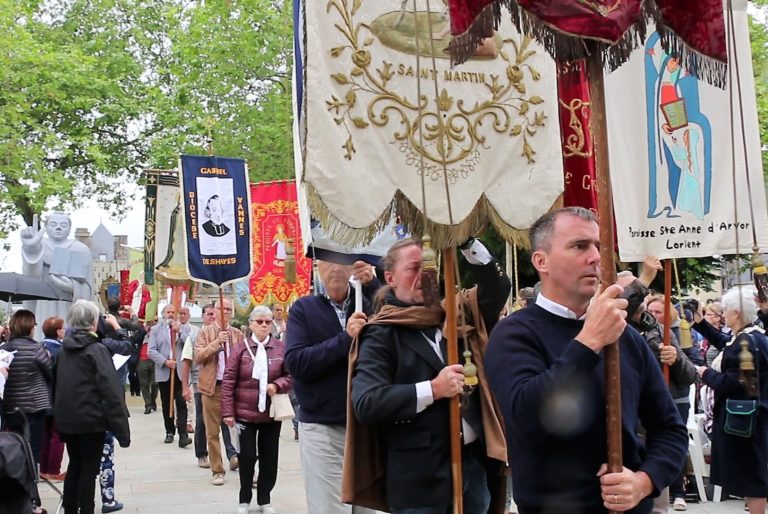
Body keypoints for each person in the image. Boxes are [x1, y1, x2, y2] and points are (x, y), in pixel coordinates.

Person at [484, 207, 688, 514]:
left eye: (598, 247)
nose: (595, 257)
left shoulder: (627, 337)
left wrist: (644, 482)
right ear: (541, 261)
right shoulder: (514, 334)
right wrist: (589, 341)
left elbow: (670, 428)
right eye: (579, 246)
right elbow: (527, 418)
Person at [349, 237, 510, 513]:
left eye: (430, 268)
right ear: (390, 277)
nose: (425, 276)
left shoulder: (455, 315)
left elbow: (498, 288)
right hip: (419, 481)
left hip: (473, 470)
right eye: (414, 268)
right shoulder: (380, 333)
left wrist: (465, 241)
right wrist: (433, 389)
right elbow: (367, 402)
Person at [285, 258, 379, 514]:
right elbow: (296, 363)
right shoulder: (304, 309)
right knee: (331, 508)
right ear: (317, 266)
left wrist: (373, 285)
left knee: (367, 509)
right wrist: (345, 339)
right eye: (328, 261)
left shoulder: (369, 303)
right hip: (324, 427)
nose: (336, 268)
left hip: (367, 427)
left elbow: (401, 316)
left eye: (342, 261)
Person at [617, 271, 696, 512]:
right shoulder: (617, 328)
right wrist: (644, 277)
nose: (640, 294)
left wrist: (676, 360)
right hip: (631, 421)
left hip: (658, 417)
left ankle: (678, 492)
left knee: (657, 500)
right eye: (632, 289)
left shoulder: (661, 331)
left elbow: (690, 375)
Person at [695, 287, 768, 514]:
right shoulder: (751, 336)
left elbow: (735, 382)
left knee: (753, 476)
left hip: (747, 420)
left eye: (726, 310)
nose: (723, 314)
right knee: (752, 474)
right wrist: (699, 323)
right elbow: (725, 341)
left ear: (736, 313)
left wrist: (706, 374)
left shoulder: (746, 342)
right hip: (753, 416)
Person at [55, 300, 130, 514]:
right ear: (94, 322)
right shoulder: (96, 350)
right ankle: (86, 509)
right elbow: (110, 390)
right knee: (89, 468)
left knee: (75, 465)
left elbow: (56, 385)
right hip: (91, 419)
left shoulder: (64, 350)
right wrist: (121, 428)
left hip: (69, 418)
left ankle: (70, 509)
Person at [223, 305, 293, 514]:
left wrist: (277, 385)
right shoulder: (240, 348)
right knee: (246, 457)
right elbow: (228, 380)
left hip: (270, 414)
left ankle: (265, 499)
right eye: (259, 322)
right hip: (244, 413)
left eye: (268, 322)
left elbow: (291, 376)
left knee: (269, 458)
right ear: (251, 324)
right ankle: (244, 499)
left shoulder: (280, 348)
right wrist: (228, 412)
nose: (264, 325)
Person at [195, 298, 245, 486]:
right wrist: (217, 343)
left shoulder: (238, 334)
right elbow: (198, 357)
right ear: (214, 311)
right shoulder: (204, 332)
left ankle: (243, 463)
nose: (225, 312)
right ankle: (217, 470)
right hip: (212, 387)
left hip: (233, 388)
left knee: (240, 430)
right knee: (212, 432)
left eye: (229, 309)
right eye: (222, 309)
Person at [20, 212, 94, 339]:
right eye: (53, 224)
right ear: (46, 227)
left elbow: (88, 284)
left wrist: (73, 286)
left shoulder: (80, 249)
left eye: (63, 225)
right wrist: (31, 250)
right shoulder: (39, 246)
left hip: (69, 302)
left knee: (68, 332)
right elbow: (30, 278)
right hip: (44, 301)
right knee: (43, 333)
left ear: (69, 228)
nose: (58, 228)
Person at [3, 309, 52, 467]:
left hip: (11, 406)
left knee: (15, 445)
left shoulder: (5, 349)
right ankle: (31, 477)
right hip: (34, 405)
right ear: (30, 327)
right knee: (33, 448)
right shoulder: (36, 349)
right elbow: (50, 372)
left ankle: (17, 474)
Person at [148, 304, 190, 448]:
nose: (171, 314)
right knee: (167, 403)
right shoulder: (156, 330)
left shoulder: (184, 328)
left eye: (173, 312)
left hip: (180, 372)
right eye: (168, 312)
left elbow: (190, 345)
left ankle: (183, 435)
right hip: (165, 372)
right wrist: (165, 362)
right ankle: (169, 431)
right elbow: (151, 350)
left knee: (181, 402)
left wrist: (180, 332)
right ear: (163, 314)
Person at [39, 316, 67, 482]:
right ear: (57, 331)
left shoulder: (38, 347)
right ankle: (54, 470)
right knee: (57, 436)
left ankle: (42, 469)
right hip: (57, 397)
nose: (65, 330)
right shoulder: (61, 351)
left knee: (44, 434)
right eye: (63, 328)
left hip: (40, 398)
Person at [136, 319, 158, 415]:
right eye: (149, 324)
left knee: (155, 383)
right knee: (144, 384)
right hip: (142, 360)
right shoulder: (141, 332)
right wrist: (144, 330)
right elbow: (135, 339)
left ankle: (152, 400)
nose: (150, 326)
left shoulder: (158, 333)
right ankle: (148, 405)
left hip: (155, 360)